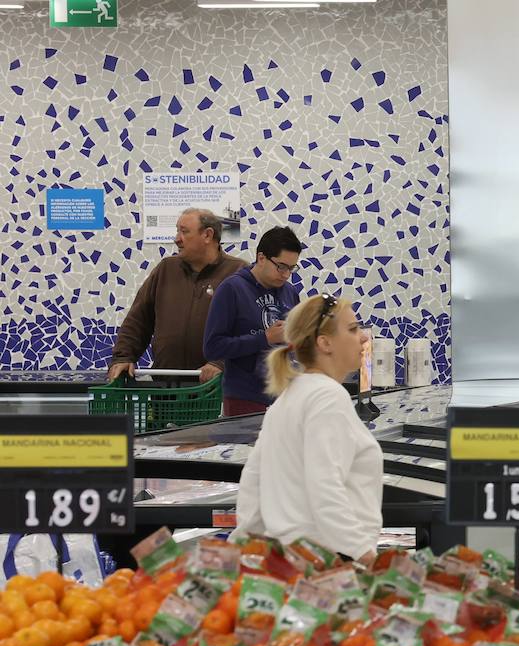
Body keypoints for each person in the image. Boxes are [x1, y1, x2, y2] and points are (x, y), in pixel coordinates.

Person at [234, 294, 381, 564]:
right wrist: (365, 556)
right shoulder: (328, 396)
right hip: (329, 561)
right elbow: (325, 485)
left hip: (288, 561)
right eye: (352, 329)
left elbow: (253, 482)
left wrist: (241, 543)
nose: (363, 337)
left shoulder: (289, 397)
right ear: (324, 343)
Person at [108, 209, 247, 383]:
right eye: (177, 231)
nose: (177, 239)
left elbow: (251, 330)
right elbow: (138, 320)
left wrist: (221, 363)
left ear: (207, 235)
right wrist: (123, 357)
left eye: (184, 231)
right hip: (165, 391)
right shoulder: (166, 269)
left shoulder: (239, 273)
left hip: (216, 389)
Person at [203, 226, 304, 416]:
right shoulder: (231, 289)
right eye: (281, 266)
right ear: (261, 258)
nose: (286, 274)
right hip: (245, 399)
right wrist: (264, 338)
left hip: (284, 397)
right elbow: (212, 347)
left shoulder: (290, 293)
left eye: (292, 268)